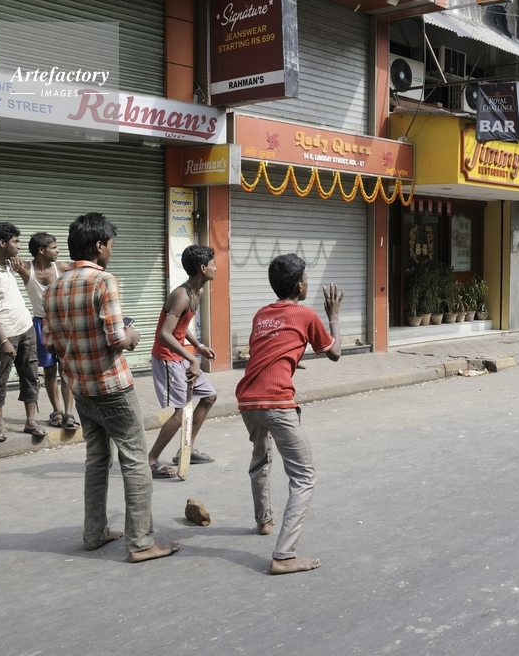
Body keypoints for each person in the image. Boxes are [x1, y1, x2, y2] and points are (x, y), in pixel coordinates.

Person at [44, 212, 178, 562]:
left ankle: (94, 533)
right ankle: (141, 543)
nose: (112, 251)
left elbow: (50, 343)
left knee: (97, 459)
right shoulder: (103, 280)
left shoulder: (53, 287)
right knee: (135, 460)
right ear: (99, 245)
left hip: (80, 387)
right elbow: (117, 338)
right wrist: (133, 335)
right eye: (111, 245)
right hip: (112, 386)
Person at [235, 254, 343, 575]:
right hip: (276, 401)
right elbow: (335, 353)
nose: (308, 282)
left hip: (247, 399)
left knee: (260, 459)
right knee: (304, 476)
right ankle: (284, 555)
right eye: (306, 278)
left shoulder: (261, 314)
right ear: (299, 286)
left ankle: (264, 520)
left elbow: (266, 349)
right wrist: (334, 317)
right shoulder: (305, 314)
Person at [146, 245, 219, 479]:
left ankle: (185, 450)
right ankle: (150, 461)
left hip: (181, 357)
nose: (216, 268)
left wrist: (198, 346)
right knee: (180, 412)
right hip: (167, 358)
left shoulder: (198, 293)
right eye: (213, 264)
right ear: (203, 268)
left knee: (209, 397)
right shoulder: (181, 295)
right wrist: (192, 359)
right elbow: (164, 334)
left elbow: (181, 326)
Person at [0, 222, 45, 443]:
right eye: (16, 241)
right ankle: (0, 425)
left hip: (25, 329)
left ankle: (31, 421)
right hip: (3, 336)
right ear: (2, 243)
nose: (19, 246)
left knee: (30, 375)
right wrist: (4, 340)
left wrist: (17, 264)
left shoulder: (8, 264)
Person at [12, 232, 78, 429]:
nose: (58, 251)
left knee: (66, 370)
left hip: (63, 324)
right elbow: (2, 259)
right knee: (49, 371)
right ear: (41, 250)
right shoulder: (26, 268)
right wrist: (13, 257)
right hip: (40, 325)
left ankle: (69, 414)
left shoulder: (62, 267)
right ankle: (57, 412)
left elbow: (86, 265)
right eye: (54, 247)